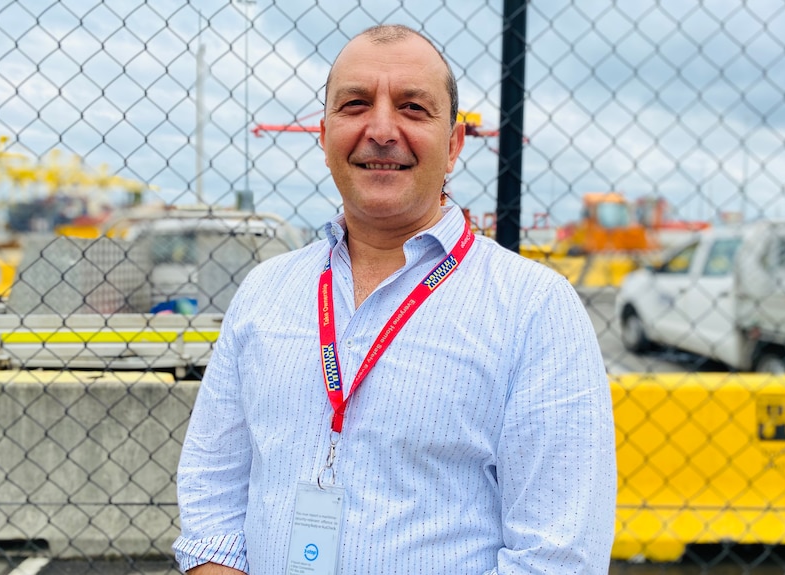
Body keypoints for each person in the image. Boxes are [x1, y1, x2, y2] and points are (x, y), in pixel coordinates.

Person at [173, 23, 616, 574]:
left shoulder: (535, 309)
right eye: (355, 104)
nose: (381, 129)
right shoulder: (265, 294)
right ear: (325, 132)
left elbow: (557, 556)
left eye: (412, 108)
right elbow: (212, 498)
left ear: (453, 144)